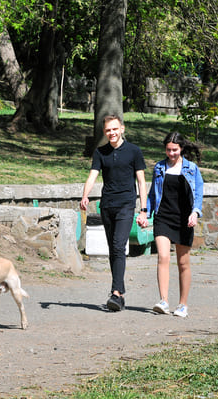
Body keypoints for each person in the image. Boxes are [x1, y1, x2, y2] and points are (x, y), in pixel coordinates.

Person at [80, 115, 147, 311]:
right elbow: (93, 175)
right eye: (108, 130)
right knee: (114, 249)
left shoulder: (134, 151)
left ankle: (115, 293)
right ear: (104, 132)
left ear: (122, 129)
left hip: (126, 204)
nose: (112, 133)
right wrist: (85, 196)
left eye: (115, 129)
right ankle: (120, 294)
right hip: (107, 205)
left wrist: (143, 210)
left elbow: (141, 182)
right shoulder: (101, 152)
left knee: (118, 245)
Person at [137, 132, 203, 318]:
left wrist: (195, 212)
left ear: (181, 149)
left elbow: (198, 193)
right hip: (163, 217)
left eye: (174, 150)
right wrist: (145, 213)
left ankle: (183, 304)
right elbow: (152, 195)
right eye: (168, 150)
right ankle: (163, 301)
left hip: (184, 219)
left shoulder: (191, 168)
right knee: (163, 257)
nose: (171, 153)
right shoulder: (159, 167)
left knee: (183, 262)